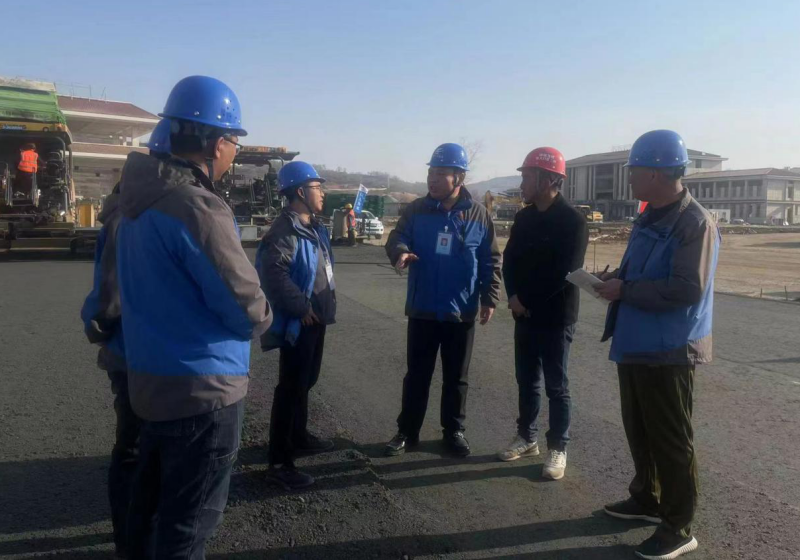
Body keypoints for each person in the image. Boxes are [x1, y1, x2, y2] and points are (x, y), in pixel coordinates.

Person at [116, 76, 272, 558]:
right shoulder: (198, 207)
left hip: (150, 382)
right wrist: (264, 316)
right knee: (187, 530)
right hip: (203, 393)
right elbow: (244, 306)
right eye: (233, 140)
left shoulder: (133, 204)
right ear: (214, 142)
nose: (233, 152)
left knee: (148, 515)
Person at [595, 130, 719, 560]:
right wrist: (615, 279)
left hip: (669, 348)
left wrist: (625, 290)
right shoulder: (649, 217)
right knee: (640, 428)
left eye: (633, 170)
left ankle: (678, 527)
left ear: (654, 172)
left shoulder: (694, 223)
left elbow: (686, 288)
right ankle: (647, 497)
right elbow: (645, 271)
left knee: (671, 439)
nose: (628, 177)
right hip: (636, 341)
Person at [79, 118, 172, 557]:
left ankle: (135, 535)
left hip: (134, 351)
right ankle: (130, 542)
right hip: (132, 353)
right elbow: (111, 299)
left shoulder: (128, 209)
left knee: (140, 450)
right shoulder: (129, 216)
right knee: (134, 451)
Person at [384, 142, 502, 457]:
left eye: (440, 174)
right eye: (431, 173)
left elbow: (490, 260)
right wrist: (400, 252)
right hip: (423, 308)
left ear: (458, 177)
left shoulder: (479, 215)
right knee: (417, 376)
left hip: (461, 311)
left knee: (456, 379)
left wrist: (489, 297)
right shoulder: (416, 210)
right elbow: (397, 237)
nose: (432, 179)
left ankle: (454, 432)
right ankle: (407, 431)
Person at [498, 147, 588, 480]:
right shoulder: (524, 218)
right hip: (523, 313)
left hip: (556, 316)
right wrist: (513, 296)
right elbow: (510, 261)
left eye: (526, 177)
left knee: (556, 386)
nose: (522, 183)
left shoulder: (573, 221)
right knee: (526, 381)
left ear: (548, 179)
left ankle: (558, 447)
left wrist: (525, 300)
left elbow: (565, 272)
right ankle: (527, 437)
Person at [256, 160, 337, 490]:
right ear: (300, 192)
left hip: (316, 318)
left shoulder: (313, 226)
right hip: (299, 320)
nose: (322, 193)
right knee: (290, 388)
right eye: (317, 187)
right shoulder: (285, 231)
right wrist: (300, 306)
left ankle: (299, 435)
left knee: (306, 381)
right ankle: (279, 461)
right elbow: (272, 273)